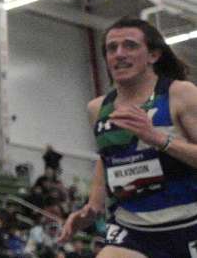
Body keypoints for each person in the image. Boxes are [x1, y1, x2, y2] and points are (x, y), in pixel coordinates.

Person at [62, 17, 197, 257]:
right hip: (133, 228)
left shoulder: (180, 94)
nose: (119, 54)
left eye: (130, 45)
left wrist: (157, 138)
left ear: (153, 55)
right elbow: (107, 158)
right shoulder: (97, 108)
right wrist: (93, 206)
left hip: (189, 223)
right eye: (111, 48)